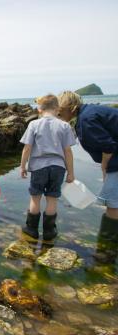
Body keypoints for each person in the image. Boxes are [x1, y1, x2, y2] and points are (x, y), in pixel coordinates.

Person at [58, 91, 118, 262]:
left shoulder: (87, 119)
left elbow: (108, 145)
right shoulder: (89, 112)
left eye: (61, 111)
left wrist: (105, 167)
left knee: (112, 203)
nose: (59, 115)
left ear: (70, 108)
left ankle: (107, 252)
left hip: (115, 160)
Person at [20, 94, 76, 240]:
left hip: (38, 167)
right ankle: (49, 232)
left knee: (35, 197)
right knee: (52, 198)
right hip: (58, 167)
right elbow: (68, 151)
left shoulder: (34, 124)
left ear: (39, 109)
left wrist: (23, 166)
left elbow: (27, 148)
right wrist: (71, 173)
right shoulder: (64, 125)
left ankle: (31, 229)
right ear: (57, 109)